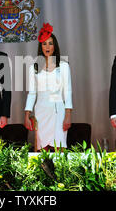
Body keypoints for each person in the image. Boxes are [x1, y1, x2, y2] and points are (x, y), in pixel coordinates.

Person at [24, 23, 73, 151]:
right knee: (42, 149)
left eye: (50, 43)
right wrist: (27, 114)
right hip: (41, 111)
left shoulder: (63, 66)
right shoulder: (33, 68)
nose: (47, 47)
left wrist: (68, 115)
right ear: (41, 46)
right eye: (44, 43)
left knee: (59, 148)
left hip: (58, 112)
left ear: (54, 46)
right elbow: (32, 93)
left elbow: (67, 92)